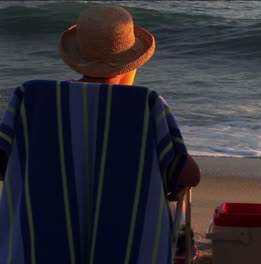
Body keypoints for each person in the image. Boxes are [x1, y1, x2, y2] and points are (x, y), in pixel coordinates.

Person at [0, 5, 201, 193]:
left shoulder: (34, 96)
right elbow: (189, 176)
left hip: (39, 228)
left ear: (76, 56)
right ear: (133, 61)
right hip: (126, 230)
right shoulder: (145, 104)